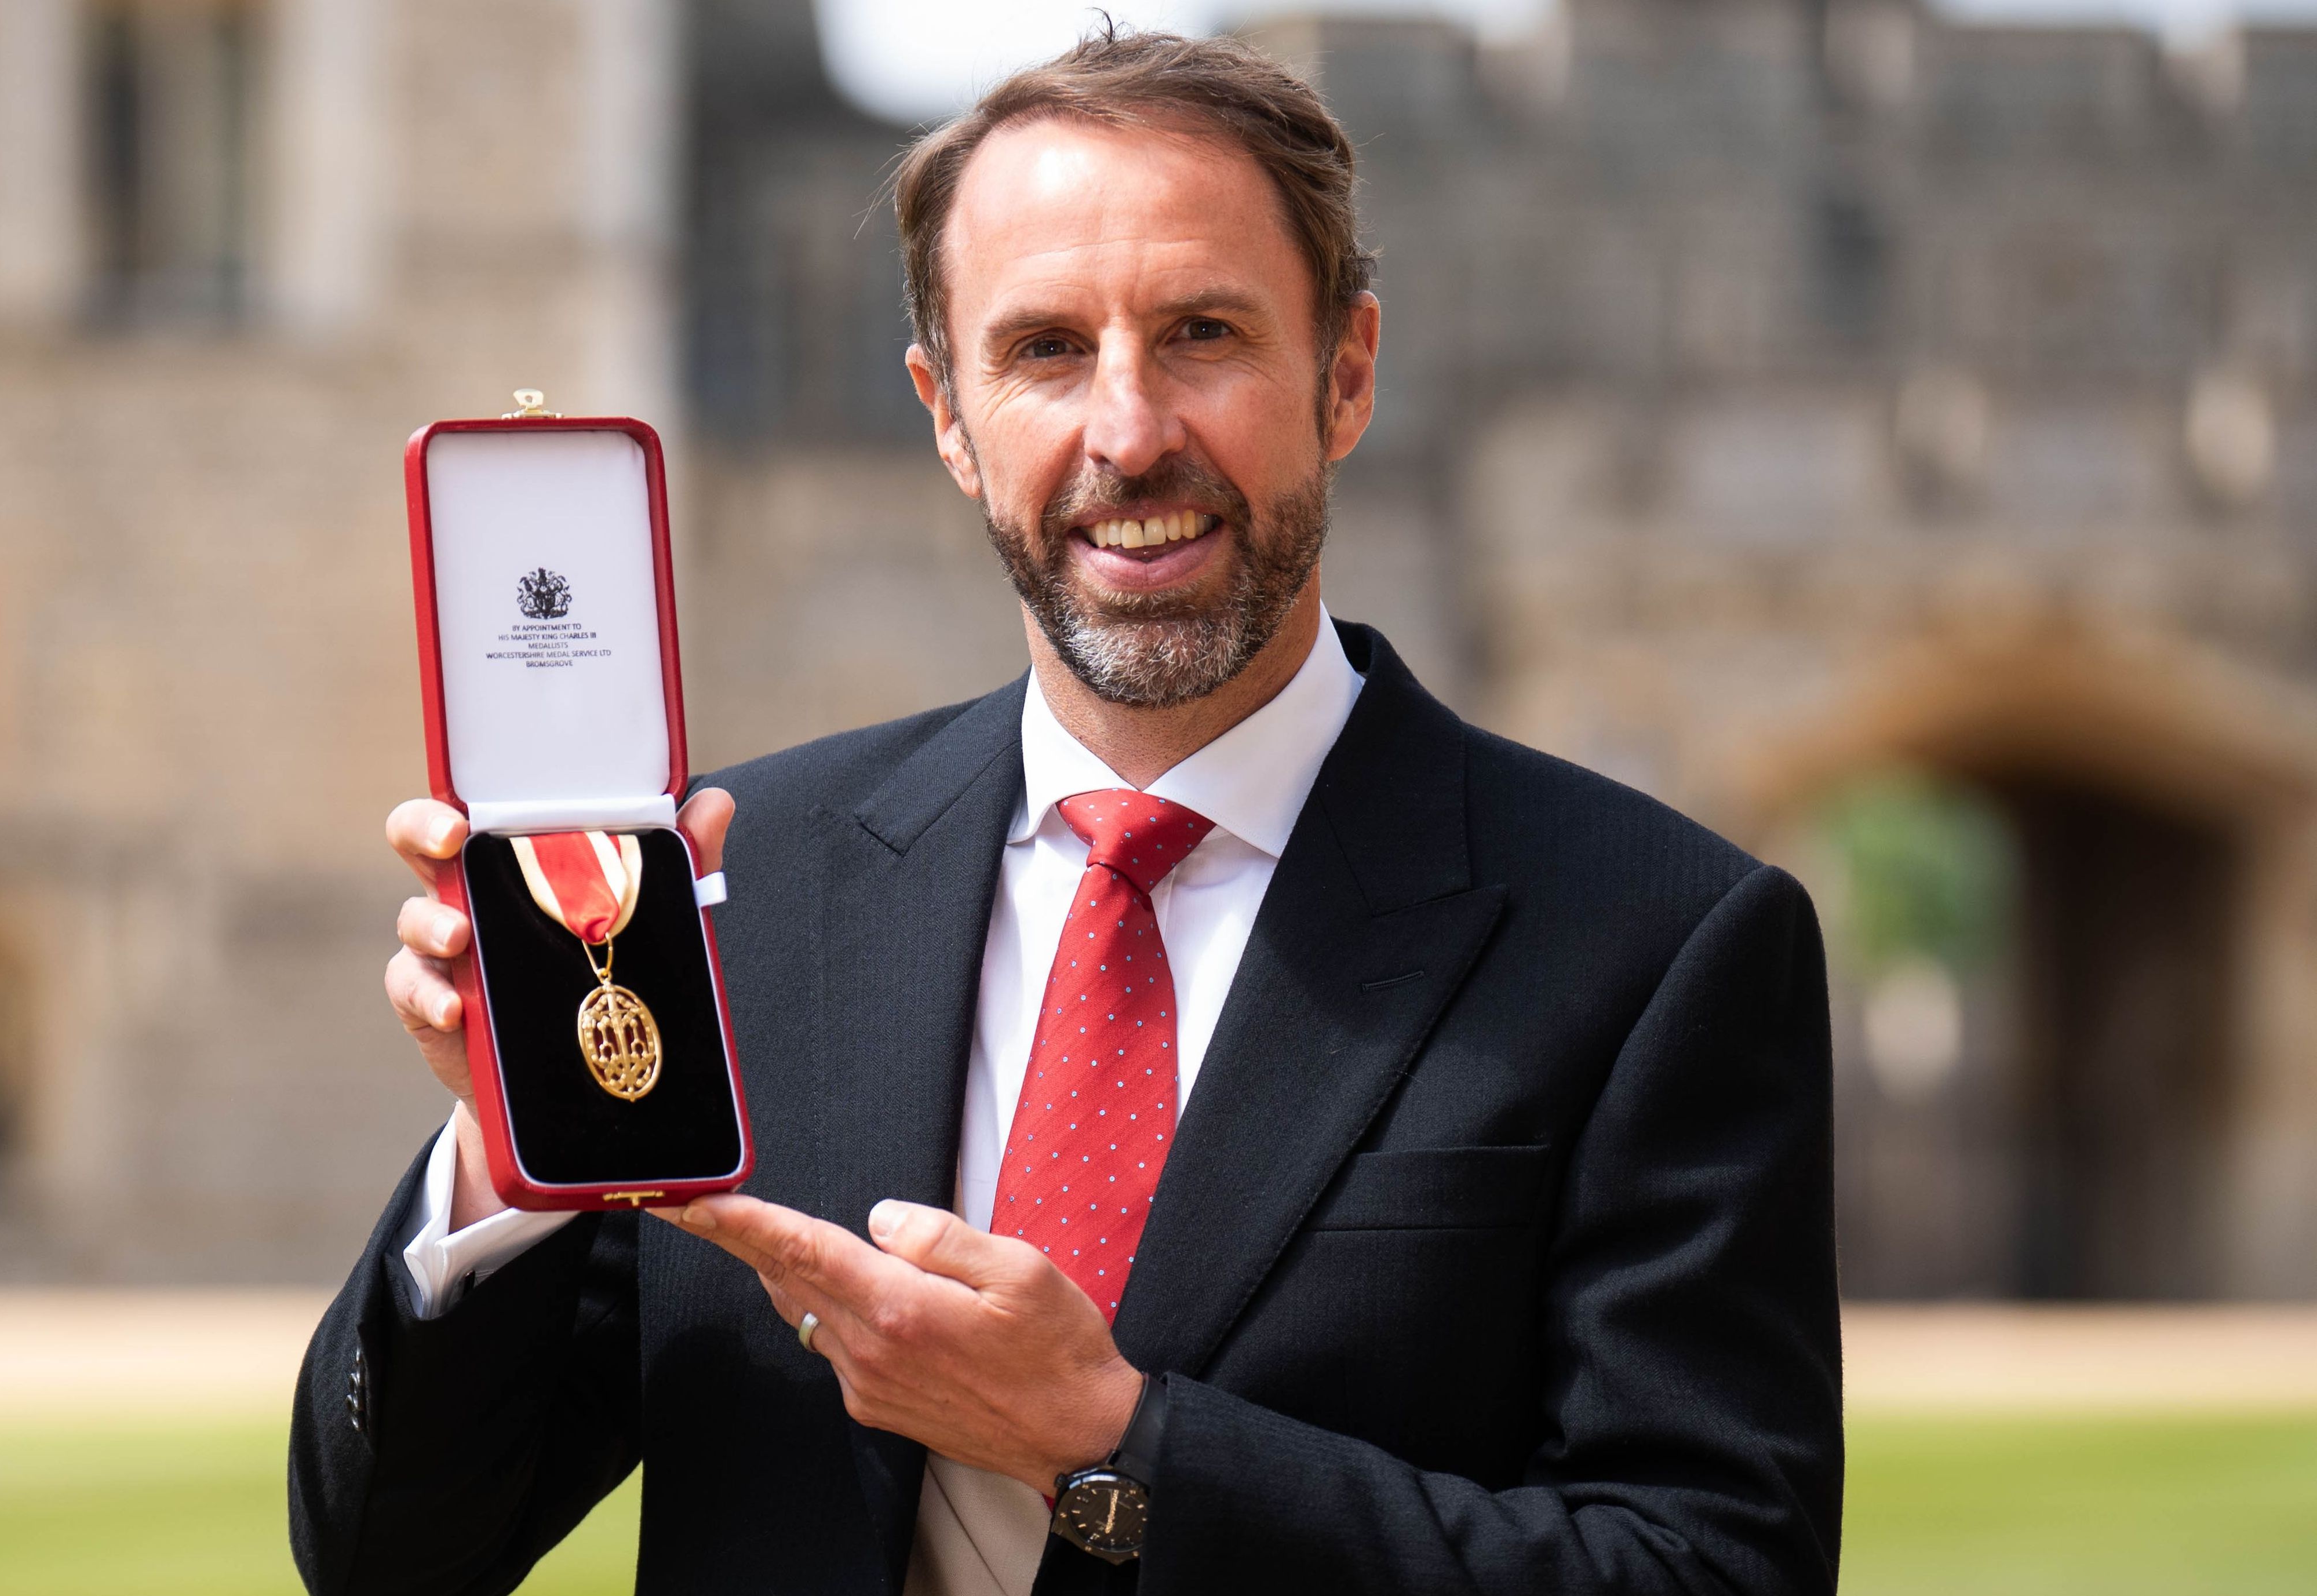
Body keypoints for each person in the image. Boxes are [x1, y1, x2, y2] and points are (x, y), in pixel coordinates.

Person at [290, 27, 1841, 1596]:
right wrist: (506, 1152)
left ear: (1348, 372)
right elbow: (386, 1557)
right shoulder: (735, 895)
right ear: (947, 414)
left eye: (1204, 333)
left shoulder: (1654, 943)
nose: (1128, 430)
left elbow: (1714, 1571)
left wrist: (1113, 1442)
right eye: (1043, 349)